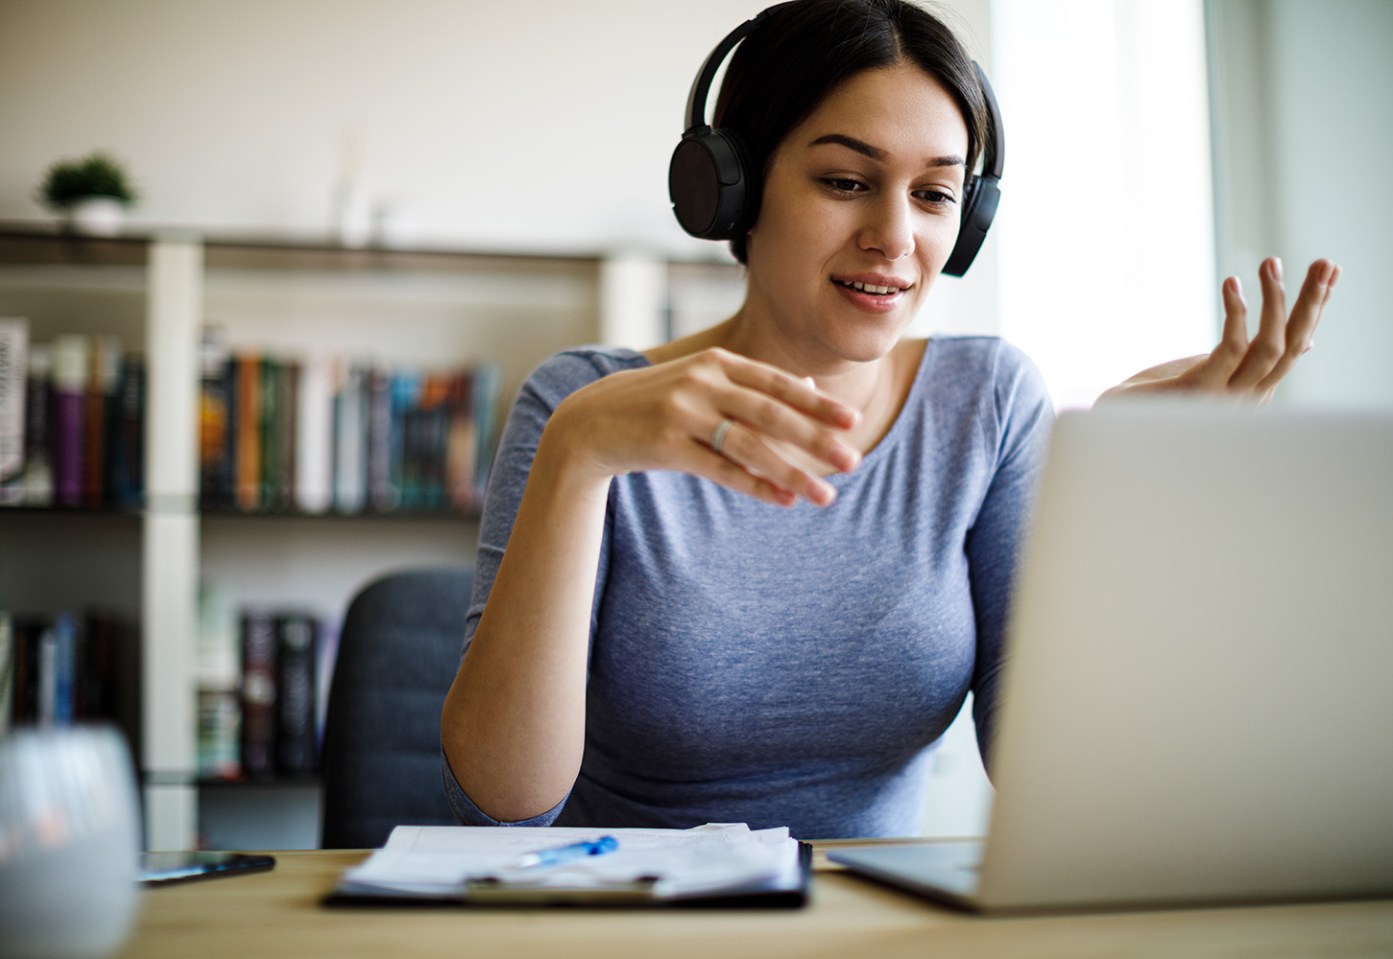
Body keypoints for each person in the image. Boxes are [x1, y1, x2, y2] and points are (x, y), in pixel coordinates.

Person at [440, 0, 1340, 839]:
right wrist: (579, 455)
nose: (896, 237)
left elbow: (1056, 778)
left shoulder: (986, 403)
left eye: (935, 194)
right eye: (845, 180)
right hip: (634, 920)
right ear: (733, 190)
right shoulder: (581, 407)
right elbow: (507, 793)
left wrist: (1117, 503)